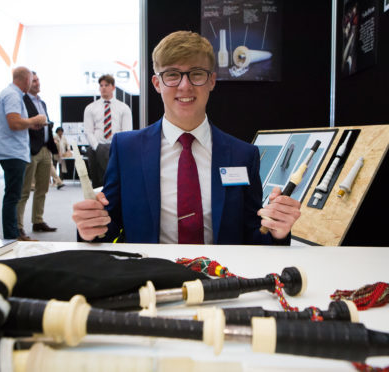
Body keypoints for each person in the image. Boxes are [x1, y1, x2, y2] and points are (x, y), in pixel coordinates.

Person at [72, 31, 301, 245]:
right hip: (151, 280)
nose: (185, 86)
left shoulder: (243, 155)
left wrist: (276, 231)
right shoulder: (126, 149)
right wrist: (91, 227)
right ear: (157, 83)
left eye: (196, 74)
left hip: (221, 281)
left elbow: (252, 236)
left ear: (212, 81)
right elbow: (108, 229)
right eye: (172, 75)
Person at [0, 67, 47, 240]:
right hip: (12, 152)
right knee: (13, 196)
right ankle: (12, 235)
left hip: (12, 151)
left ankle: (14, 232)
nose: (33, 83)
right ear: (26, 80)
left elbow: (16, 122)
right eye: (32, 80)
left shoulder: (11, 94)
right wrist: (35, 120)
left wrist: (30, 124)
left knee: (13, 194)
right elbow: (14, 123)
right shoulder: (13, 95)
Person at [16, 72, 58, 239]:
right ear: (27, 83)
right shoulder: (22, 102)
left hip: (45, 149)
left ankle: (38, 220)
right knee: (25, 190)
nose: (37, 83)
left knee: (43, 188)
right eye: (33, 81)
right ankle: (18, 226)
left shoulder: (43, 103)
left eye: (38, 80)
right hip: (30, 149)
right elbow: (21, 123)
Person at [83, 74, 133, 188]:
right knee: (98, 186)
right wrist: (98, 147)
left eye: (107, 85)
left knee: (116, 183)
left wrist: (115, 148)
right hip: (96, 149)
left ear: (113, 87)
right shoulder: (90, 108)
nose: (103, 87)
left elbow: (126, 132)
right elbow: (88, 131)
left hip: (116, 149)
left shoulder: (123, 108)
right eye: (101, 85)